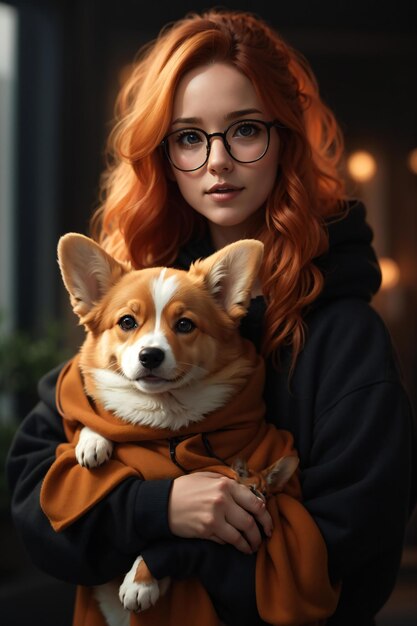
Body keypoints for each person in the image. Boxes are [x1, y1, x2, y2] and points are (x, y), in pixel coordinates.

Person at [6, 8, 416, 626]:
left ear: (286, 138)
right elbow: (35, 503)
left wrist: (171, 554)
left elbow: (352, 562)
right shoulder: (143, 294)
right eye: (189, 137)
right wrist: (157, 509)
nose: (216, 160)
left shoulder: (344, 338)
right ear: (164, 155)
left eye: (244, 130)